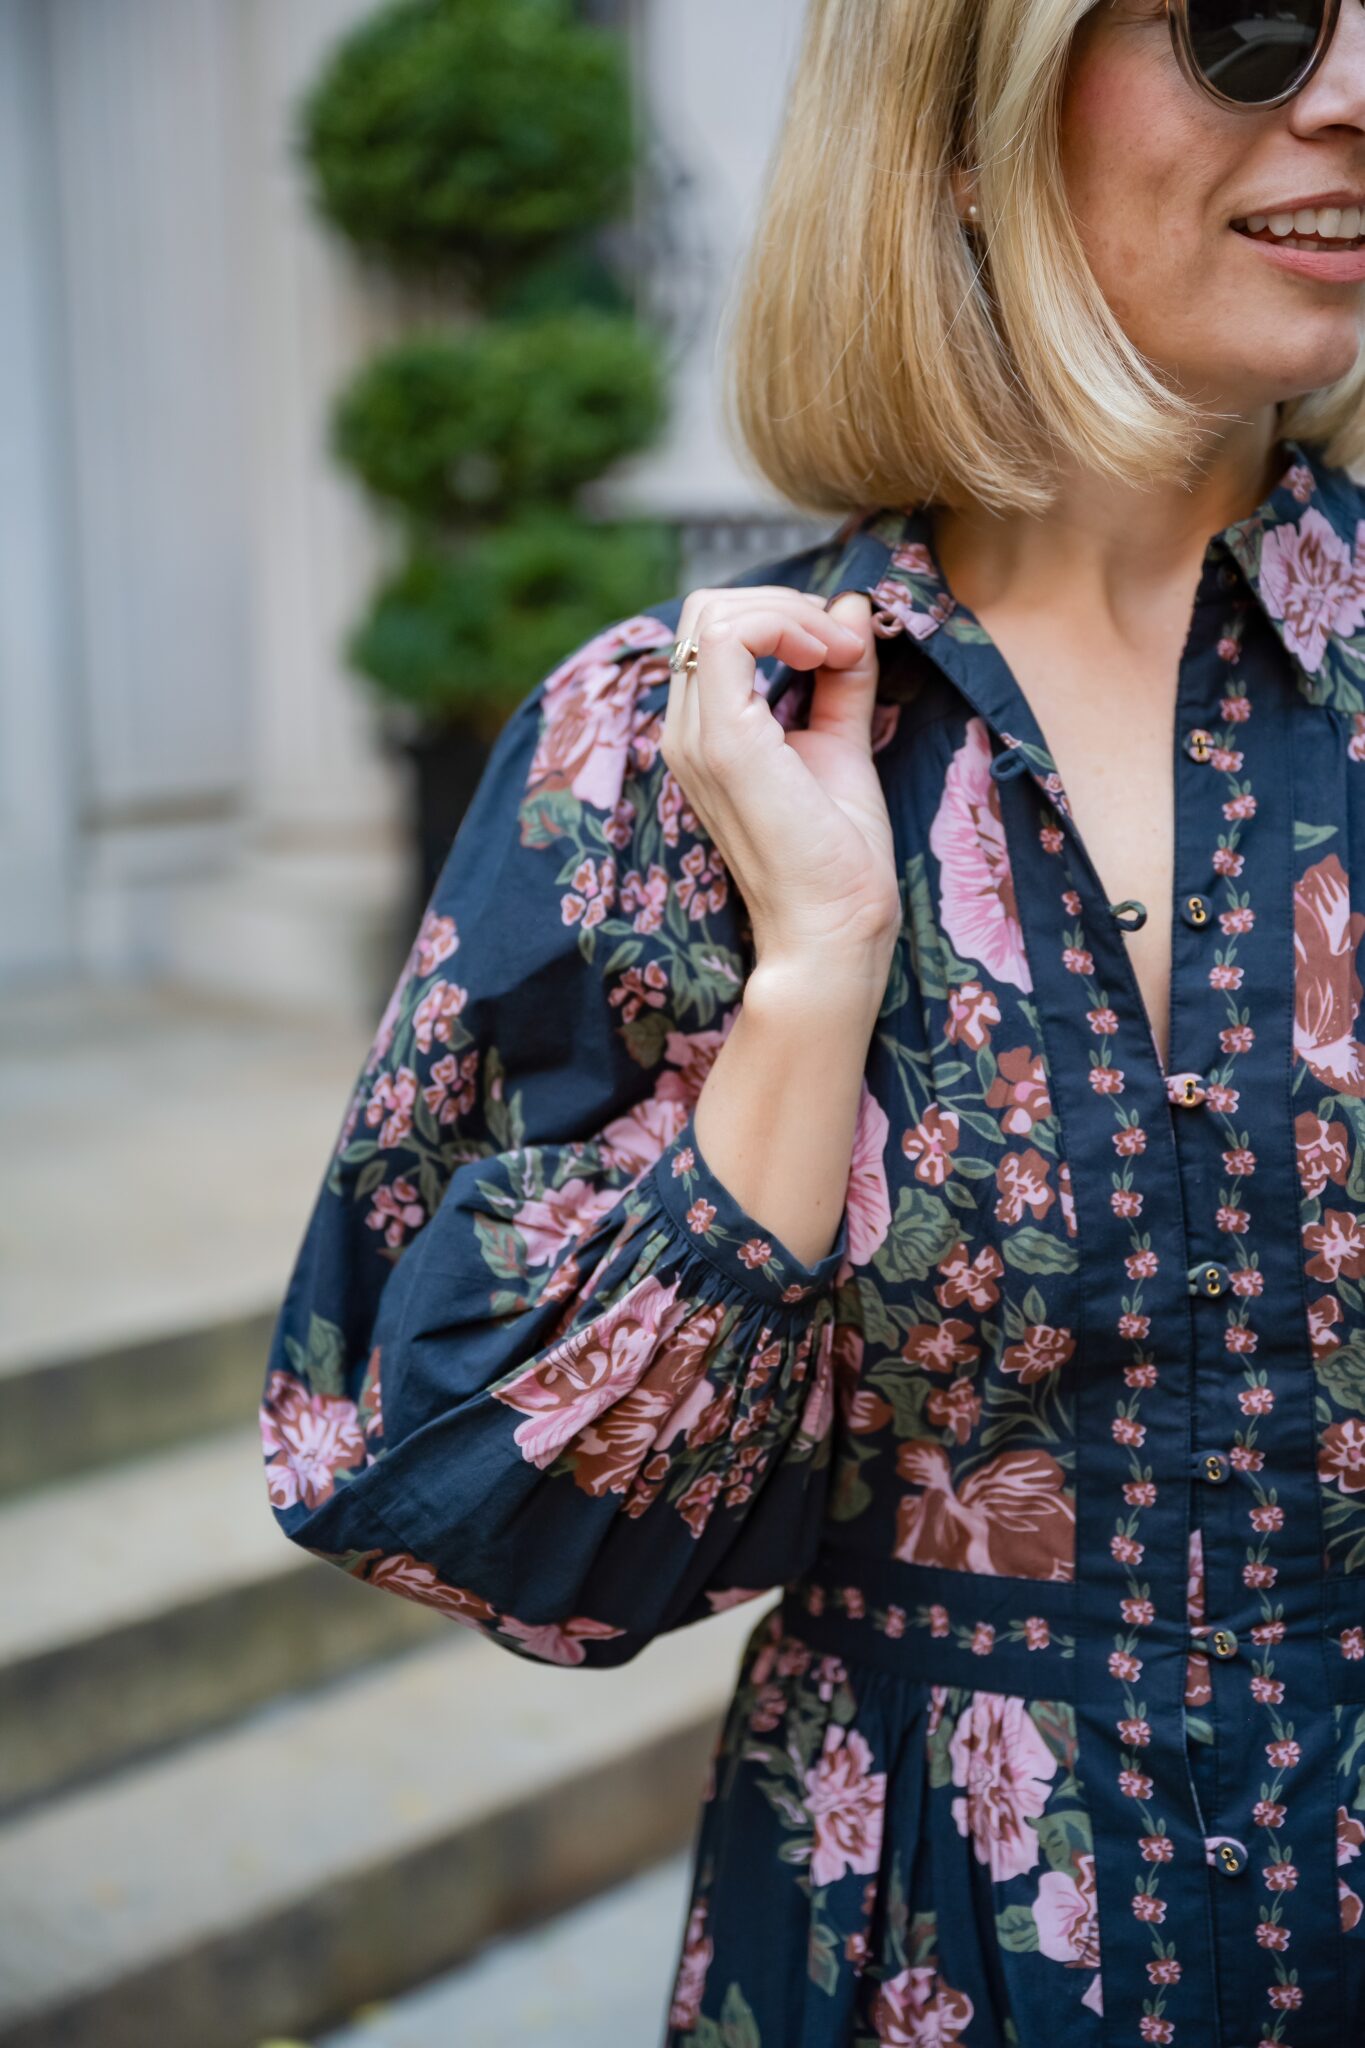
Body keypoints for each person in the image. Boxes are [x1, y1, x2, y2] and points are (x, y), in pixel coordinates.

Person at [258, 1, 1365, 2040]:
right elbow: (482, 1502)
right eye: (1246, 20)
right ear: (966, 118)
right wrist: (816, 965)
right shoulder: (675, 755)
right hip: (923, 1951)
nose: (1348, 91)